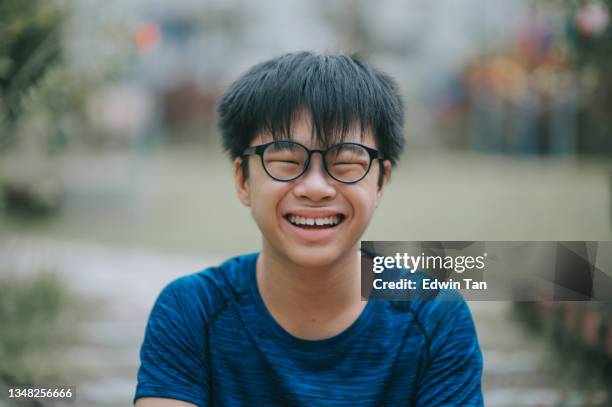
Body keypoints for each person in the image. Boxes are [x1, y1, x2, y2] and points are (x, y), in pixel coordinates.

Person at [134, 52, 483, 406]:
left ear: (380, 182)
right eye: (286, 162)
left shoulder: (436, 317)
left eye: (346, 163)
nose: (316, 187)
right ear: (242, 180)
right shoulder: (191, 310)